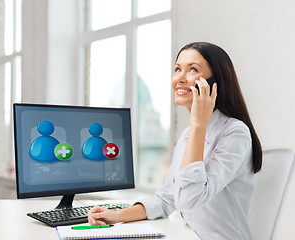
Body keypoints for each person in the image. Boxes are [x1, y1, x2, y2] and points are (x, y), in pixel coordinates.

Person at [87, 42, 262, 240]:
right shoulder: (188, 135)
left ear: (215, 83)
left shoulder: (235, 133)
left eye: (193, 69)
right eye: (177, 69)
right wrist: (117, 215)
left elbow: (189, 200)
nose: (179, 78)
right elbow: (167, 198)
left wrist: (198, 125)